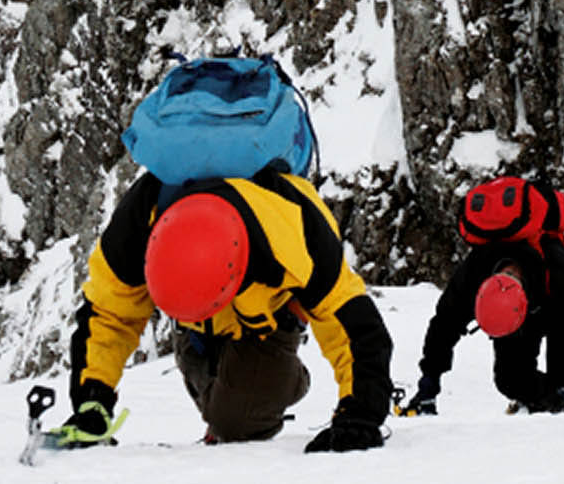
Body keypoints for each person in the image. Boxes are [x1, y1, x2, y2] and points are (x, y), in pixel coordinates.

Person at [56, 167, 394, 452]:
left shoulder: (293, 231)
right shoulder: (138, 223)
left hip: (267, 323)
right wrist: (93, 401)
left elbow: (354, 326)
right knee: (216, 398)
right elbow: (108, 316)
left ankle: (285, 379)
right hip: (197, 329)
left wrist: (360, 413)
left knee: (237, 423)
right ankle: (236, 379)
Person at [398, 235, 564, 415]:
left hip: (563, 311)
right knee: (511, 380)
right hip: (524, 304)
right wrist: (429, 382)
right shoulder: (473, 275)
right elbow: (443, 327)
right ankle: (543, 405)